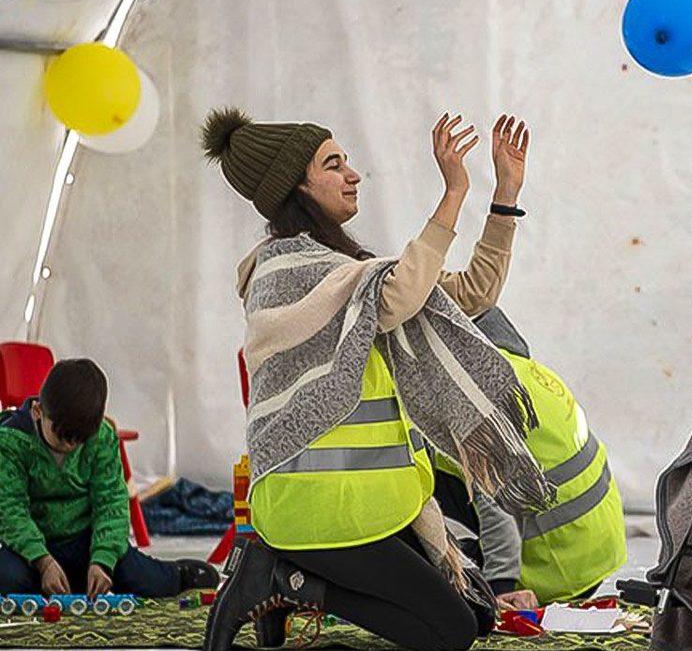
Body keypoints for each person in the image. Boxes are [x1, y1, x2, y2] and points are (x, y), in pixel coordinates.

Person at [200, 107, 552, 651]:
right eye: (333, 164)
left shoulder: (345, 274)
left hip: (367, 506)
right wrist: (454, 191)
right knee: (451, 633)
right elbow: (401, 294)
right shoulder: (282, 272)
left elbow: (472, 295)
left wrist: (504, 194)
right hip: (312, 508)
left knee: (478, 615)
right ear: (296, 185)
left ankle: (294, 581)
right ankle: (285, 579)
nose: (352, 174)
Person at [434, 308, 626, 609]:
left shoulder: (474, 397)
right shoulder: (524, 370)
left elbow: (496, 504)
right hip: (596, 552)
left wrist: (499, 588)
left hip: (553, 571)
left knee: (418, 463)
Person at [0, 359, 218, 598]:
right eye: (62, 437)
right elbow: (11, 512)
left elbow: (111, 503)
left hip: (86, 542)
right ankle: (63, 581)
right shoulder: (11, 441)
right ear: (38, 411)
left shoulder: (102, 437)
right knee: (9, 579)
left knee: (144, 578)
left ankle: (177, 574)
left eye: (80, 439)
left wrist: (102, 561)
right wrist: (43, 562)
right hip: (32, 551)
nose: (70, 446)